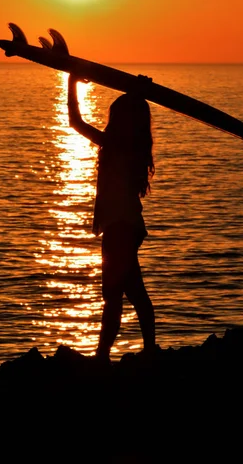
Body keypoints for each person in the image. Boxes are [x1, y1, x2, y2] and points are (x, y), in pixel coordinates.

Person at [67, 73, 157, 362]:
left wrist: (70, 82)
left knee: (114, 295)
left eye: (115, 116)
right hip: (125, 227)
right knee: (132, 291)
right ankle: (148, 350)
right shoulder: (133, 146)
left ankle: (103, 356)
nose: (111, 120)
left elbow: (76, 123)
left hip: (121, 228)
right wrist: (137, 94)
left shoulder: (122, 146)